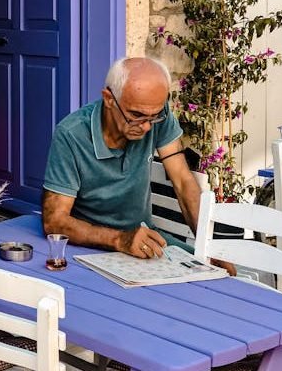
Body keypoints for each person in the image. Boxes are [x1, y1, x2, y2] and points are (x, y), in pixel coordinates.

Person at [42, 57, 235, 275]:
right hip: (88, 246)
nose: (145, 127)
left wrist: (209, 247)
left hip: (144, 239)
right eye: (136, 115)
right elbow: (54, 222)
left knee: (214, 276)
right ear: (109, 99)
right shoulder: (71, 134)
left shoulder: (157, 118)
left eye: (153, 116)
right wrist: (120, 239)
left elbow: (182, 180)